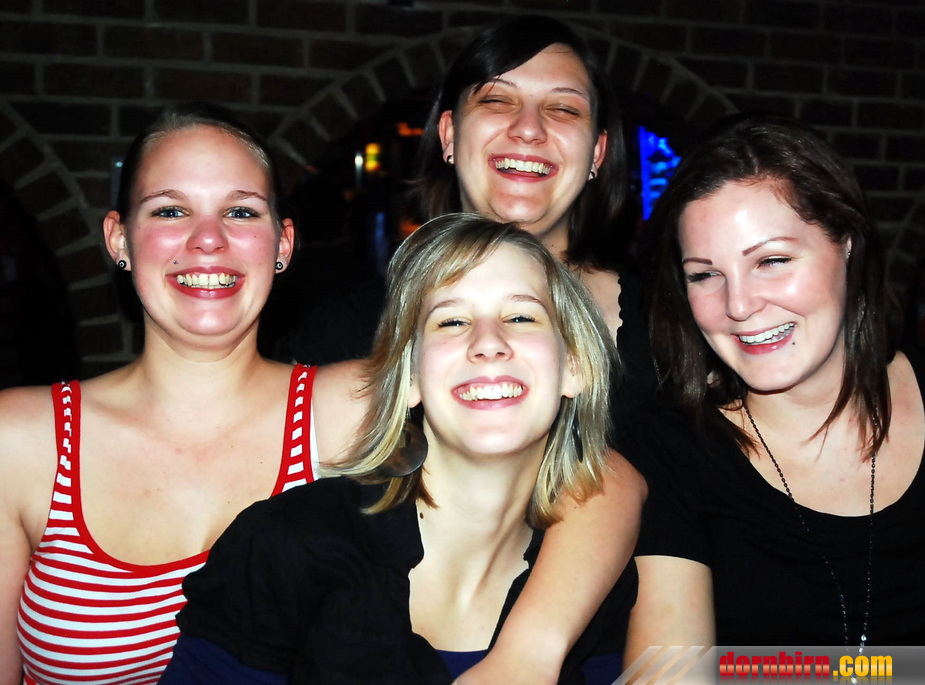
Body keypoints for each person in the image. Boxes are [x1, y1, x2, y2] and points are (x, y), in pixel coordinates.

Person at [0, 103, 641, 685]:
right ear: (118, 238)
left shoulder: (351, 404)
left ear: (283, 243)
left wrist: (530, 649)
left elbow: (593, 473)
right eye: (170, 210)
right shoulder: (20, 439)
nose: (207, 239)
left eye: (241, 212)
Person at [160, 214, 637, 683]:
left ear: (574, 366)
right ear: (409, 376)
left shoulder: (596, 583)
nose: (488, 343)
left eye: (520, 316)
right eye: (452, 320)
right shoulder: (284, 547)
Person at [624, 113, 925, 651]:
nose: (738, 305)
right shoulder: (667, 449)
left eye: (772, 260)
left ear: (848, 245)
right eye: (705, 274)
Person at [290, 15, 659, 433]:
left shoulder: (670, 329)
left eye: (563, 108)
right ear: (449, 134)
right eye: (497, 100)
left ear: (597, 152)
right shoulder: (343, 336)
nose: (529, 129)